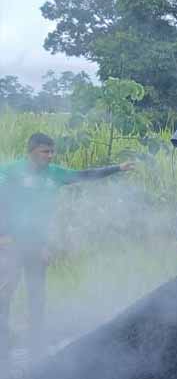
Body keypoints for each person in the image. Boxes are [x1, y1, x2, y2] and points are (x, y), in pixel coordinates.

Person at [0, 133, 135, 352]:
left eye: (52, 151)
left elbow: (85, 175)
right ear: (31, 151)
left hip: (37, 244)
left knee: (37, 293)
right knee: (4, 294)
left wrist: (117, 168)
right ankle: (3, 343)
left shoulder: (54, 174)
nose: (50, 156)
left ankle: (36, 342)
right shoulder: (10, 171)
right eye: (45, 151)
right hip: (11, 243)